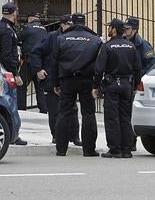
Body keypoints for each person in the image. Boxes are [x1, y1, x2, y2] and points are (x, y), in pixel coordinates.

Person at [52, 13, 101, 157]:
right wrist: (96, 84)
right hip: (87, 80)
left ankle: (61, 149)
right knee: (88, 114)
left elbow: (54, 63)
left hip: (67, 80)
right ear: (85, 23)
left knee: (64, 113)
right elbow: (99, 65)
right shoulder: (95, 39)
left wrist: (55, 83)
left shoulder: (61, 39)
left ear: (72, 23)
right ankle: (89, 150)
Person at [28, 14, 81, 146]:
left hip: (69, 79)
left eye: (71, 25)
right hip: (52, 78)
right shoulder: (52, 37)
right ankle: (57, 136)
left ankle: (74, 136)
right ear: (62, 25)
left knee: (73, 109)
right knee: (54, 110)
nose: (70, 27)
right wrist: (38, 69)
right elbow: (35, 52)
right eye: (68, 24)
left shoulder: (74, 37)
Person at [93, 18, 141, 158]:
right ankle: (127, 149)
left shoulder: (107, 47)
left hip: (112, 85)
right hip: (127, 85)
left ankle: (115, 149)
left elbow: (99, 69)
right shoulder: (130, 46)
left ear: (114, 29)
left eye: (109, 27)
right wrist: (135, 85)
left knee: (112, 117)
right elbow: (137, 68)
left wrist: (95, 86)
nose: (108, 30)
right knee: (125, 117)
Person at [124, 16, 155, 151]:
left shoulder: (143, 44)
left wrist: (140, 77)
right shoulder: (123, 42)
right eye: (125, 28)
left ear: (135, 30)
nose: (126, 31)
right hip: (125, 81)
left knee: (131, 113)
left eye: (128, 29)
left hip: (135, 83)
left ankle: (131, 142)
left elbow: (153, 63)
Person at [0, 2, 27, 146]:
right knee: (10, 103)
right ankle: (14, 134)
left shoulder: (6, 27)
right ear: (13, 12)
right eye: (16, 11)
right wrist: (15, 73)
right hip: (6, 73)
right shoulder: (7, 30)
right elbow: (6, 54)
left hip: (5, 71)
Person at [17, 12, 48, 112]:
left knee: (21, 86)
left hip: (28, 61)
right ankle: (44, 109)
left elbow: (17, 38)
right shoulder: (44, 29)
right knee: (40, 88)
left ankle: (21, 108)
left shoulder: (27, 28)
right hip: (41, 63)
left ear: (30, 18)